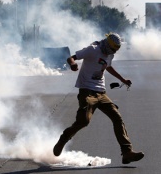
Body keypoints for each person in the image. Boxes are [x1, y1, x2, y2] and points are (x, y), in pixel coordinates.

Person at [53, 33, 144, 164]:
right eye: (113, 49)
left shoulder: (110, 55)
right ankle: (64, 138)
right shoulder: (93, 49)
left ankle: (127, 152)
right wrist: (72, 65)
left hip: (101, 92)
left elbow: (108, 67)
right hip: (87, 91)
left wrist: (122, 79)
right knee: (84, 121)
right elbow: (71, 57)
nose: (114, 52)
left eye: (116, 50)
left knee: (117, 118)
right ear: (107, 44)